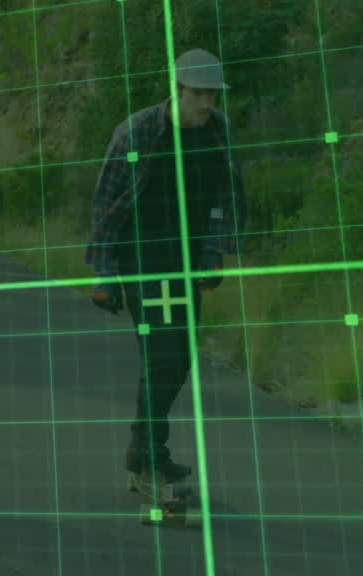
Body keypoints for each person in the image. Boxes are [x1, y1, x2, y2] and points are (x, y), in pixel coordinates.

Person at [85, 48, 247, 481]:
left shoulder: (218, 132)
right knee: (160, 356)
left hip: (187, 259)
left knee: (180, 358)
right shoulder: (136, 133)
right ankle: (153, 455)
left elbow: (224, 196)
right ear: (177, 90)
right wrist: (103, 273)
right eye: (199, 93)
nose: (207, 103)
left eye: (213, 94)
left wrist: (214, 254)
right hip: (141, 257)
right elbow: (106, 203)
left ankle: (142, 445)